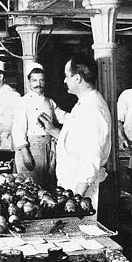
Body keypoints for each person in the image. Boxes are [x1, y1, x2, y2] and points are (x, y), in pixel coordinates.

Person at [38, 52, 112, 209]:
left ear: (77, 78)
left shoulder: (93, 109)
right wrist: (52, 130)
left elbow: (91, 158)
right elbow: (76, 141)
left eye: (67, 76)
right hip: (71, 187)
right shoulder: (83, 104)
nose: (65, 80)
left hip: (83, 191)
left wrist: (76, 200)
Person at [12, 62, 65, 189]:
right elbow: (18, 129)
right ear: (29, 82)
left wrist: (77, 115)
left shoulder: (49, 101)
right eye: (34, 80)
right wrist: (25, 153)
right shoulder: (23, 102)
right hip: (31, 148)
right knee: (32, 187)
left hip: (48, 147)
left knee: (47, 186)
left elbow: (62, 116)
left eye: (41, 80)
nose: (38, 84)